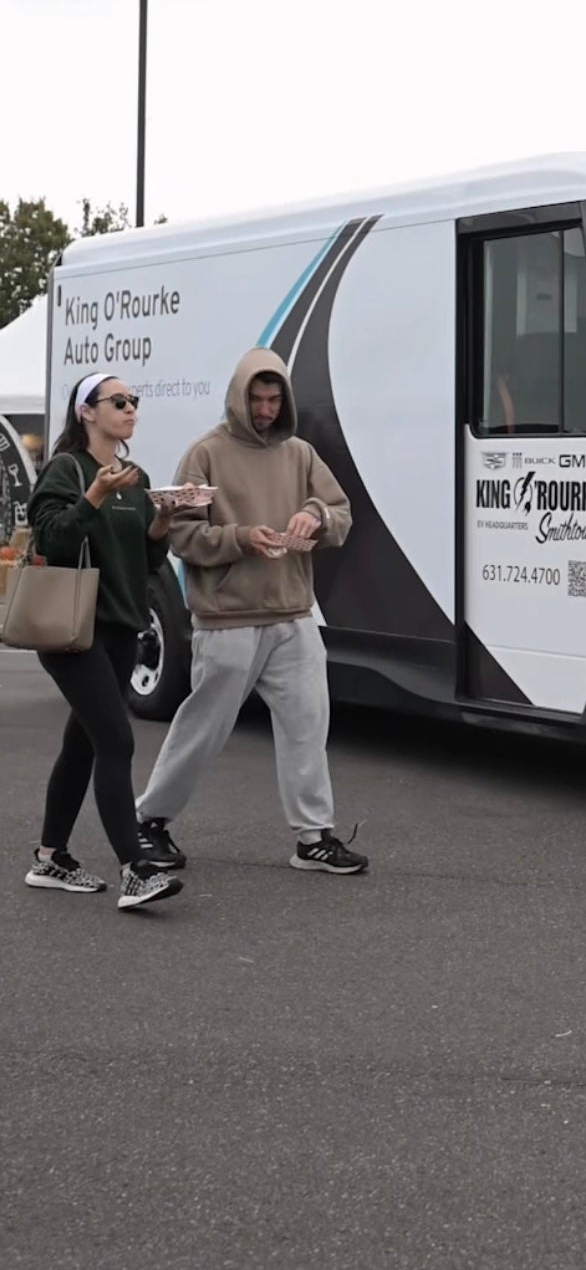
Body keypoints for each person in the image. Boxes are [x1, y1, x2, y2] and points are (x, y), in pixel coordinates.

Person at [134, 348, 368, 875]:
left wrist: (313, 516)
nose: (265, 409)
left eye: (273, 398)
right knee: (204, 727)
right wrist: (241, 538)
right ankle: (149, 820)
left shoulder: (301, 454)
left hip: (293, 615)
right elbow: (180, 534)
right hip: (227, 620)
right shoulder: (205, 454)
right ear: (238, 398)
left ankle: (314, 838)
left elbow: (340, 513)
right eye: (256, 399)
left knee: (309, 725)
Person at [24, 375, 185, 910]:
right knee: (117, 741)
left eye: (134, 401)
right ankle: (134, 870)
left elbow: (147, 562)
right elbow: (52, 538)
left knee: (84, 743)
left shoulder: (136, 479)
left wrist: (161, 521)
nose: (130, 409)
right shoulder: (67, 469)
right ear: (86, 412)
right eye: (118, 401)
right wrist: (95, 494)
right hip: (72, 629)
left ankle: (50, 858)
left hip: (120, 628)